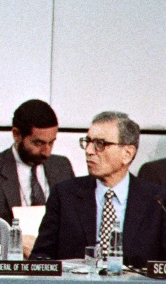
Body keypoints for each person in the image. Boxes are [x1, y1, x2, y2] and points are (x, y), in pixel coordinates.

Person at [32, 112, 166, 266]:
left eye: (100, 144)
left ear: (127, 153)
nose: (89, 150)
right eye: (87, 142)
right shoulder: (64, 195)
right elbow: (40, 259)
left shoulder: (157, 200)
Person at [0, 99, 75, 256]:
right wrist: (14, 240)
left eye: (51, 143)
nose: (47, 152)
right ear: (16, 135)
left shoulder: (62, 166)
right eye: (38, 143)